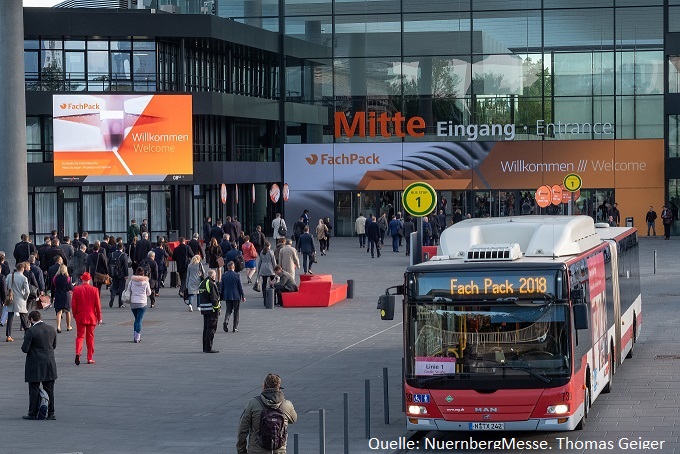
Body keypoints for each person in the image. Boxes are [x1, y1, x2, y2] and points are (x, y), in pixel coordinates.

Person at [237, 373, 297, 454]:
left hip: (256, 451)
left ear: (264, 387)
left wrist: (241, 450)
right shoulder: (286, 404)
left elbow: (242, 429)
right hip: (279, 451)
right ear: (279, 388)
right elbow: (293, 419)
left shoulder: (254, 403)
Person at [20, 311, 57, 420]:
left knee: (34, 389)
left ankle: (32, 413)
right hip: (49, 363)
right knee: (49, 389)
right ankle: (51, 413)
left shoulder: (31, 331)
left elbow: (24, 349)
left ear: (31, 319)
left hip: (35, 364)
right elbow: (53, 346)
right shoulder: (51, 329)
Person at [71, 272, 102, 365]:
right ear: (90, 279)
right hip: (91, 317)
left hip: (80, 316)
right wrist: (99, 317)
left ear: (81, 279)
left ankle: (78, 352)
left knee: (80, 336)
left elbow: (73, 304)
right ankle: (90, 358)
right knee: (90, 338)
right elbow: (98, 305)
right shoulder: (95, 290)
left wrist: (75, 315)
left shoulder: (76, 289)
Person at [6, 263, 30, 342]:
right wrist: (25, 297)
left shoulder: (9, 276)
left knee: (10, 317)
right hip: (20, 299)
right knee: (23, 317)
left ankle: (8, 335)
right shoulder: (24, 278)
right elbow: (27, 291)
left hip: (11, 298)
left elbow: (6, 286)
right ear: (23, 269)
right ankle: (27, 333)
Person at [126, 267, 151, 343]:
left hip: (133, 303)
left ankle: (135, 335)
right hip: (142, 303)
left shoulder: (132, 281)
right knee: (139, 320)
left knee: (136, 319)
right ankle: (137, 337)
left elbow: (129, 290)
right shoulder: (146, 282)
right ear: (143, 274)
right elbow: (149, 292)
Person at [198, 269, 220, 353]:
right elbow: (214, 298)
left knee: (206, 328)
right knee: (211, 328)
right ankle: (208, 348)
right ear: (213, 276)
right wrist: (217, 309)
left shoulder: (202, 283)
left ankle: (205, 347)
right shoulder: (211, 283)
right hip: (211, 310)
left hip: (204, 309)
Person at [220, 261, 245, 333]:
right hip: (236, 296)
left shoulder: (224, 275)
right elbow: (240, 287)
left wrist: (221, 296)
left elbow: (222, 287)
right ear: (234, 267)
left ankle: (226, 321)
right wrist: (243, 296)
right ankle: (235, 327)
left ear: (227, 267)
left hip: (227, 295)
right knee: (236, 311)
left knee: (228, 310)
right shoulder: (237, 275)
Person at [52, 265, 73, 333]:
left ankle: (58, 326)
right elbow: (70, 288)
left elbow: (52, 288)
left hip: (58, 295)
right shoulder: (67, 278)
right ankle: (68, 326)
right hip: (66, 296)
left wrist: (52, 297)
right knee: (67, 312)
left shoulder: (55, 278)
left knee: (59, 312)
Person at [109, 242, 129, 308]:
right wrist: (126, 274)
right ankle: (120, 303)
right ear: (122, 248)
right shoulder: (124, 255)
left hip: (113, 273)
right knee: (121, 288)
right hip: (121, 274)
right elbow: (126, 266)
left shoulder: (111, 254)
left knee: (114, 287)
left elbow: (108, 264)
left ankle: (112, 298)